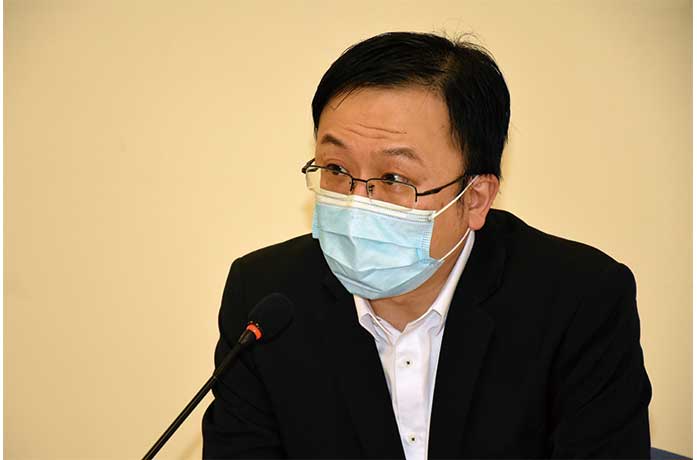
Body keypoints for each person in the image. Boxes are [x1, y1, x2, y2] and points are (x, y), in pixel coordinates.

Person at [202, 32, 652, 459]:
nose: (358, 203)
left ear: (475, 198)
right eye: (336, 169)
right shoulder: (264, 297)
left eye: (394, 178)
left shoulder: (579, 301)